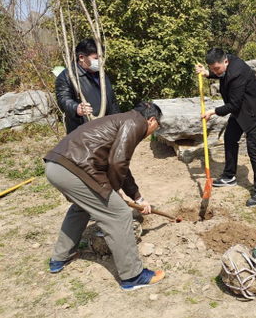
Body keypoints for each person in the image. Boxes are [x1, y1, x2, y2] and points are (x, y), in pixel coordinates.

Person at [44, 102, 165, 291]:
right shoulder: (136, 123)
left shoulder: (123, 119)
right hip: (74, 170)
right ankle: (133, 275)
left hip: (56, 166)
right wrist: (114, 192)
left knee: (82, 207)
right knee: (120, 214)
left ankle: (61, 256)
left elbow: (120, 164)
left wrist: (137, 196)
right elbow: (118, 163)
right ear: (151, 120)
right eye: (158, 126)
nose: (154, 131)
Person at [195, 48, 256, 208]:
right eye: (212, 68)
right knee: (230, 138)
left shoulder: (237, 73)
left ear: (226, 62)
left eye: (216, 68)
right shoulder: (225, 64)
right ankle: (229, 175)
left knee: (254, 149)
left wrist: (212, 111)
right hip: (240, 109)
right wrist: (207, 74)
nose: (215, 71)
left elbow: (233, 104)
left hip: (253, 111)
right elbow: (221, 74)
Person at [56, 38, 120, 134]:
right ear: (82, 57)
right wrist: (75, 108)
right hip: (83, 132)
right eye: (95, 58)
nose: (100, 61)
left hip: (107, 129)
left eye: (101, 57)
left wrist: (118, 122)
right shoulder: (67, 76)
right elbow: (63, 99)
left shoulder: (101, 74)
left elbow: (112, 101)